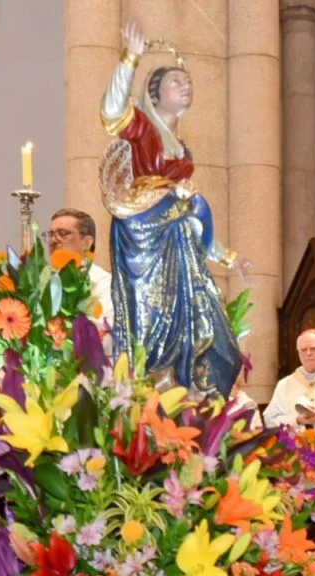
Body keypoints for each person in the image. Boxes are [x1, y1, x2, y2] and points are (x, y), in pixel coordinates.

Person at [100, 24, 241, 398]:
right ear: (154, 91)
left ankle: (189, 389)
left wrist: (227, 257)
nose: (186, 86)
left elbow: (193, 217)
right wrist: (130, 58)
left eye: (188, 81)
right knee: (152, 320)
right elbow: (112, 111)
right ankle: (152, 391)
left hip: (179, 247)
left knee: (202, 322)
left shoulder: (184, 149)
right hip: (144, 245)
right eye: (176, 81)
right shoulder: (144, 128)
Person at [45, 209, 114, 331]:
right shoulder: (43, 279)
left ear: (87, 243)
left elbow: (105, 328)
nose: (53, 240)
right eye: (51, 234)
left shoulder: (103, 283)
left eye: (63, 233)